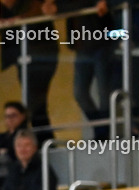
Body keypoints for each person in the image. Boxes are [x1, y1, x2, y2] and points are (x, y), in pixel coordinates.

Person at [54, 0, 113, 140]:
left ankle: (104, 131)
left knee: (104, 92)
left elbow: (73, 5)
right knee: (79, 93)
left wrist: (59, 7)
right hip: (82, 46)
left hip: (102, 41)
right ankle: (101, 128)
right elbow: (62, 7)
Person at [0, 0, 58, 140]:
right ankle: (44, 140)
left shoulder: (33, 4)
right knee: (34, 102)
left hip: (41, 52)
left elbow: (43, 11)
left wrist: (18, 20)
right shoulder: (0, 7)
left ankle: (45, 140)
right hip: (23, 54)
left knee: (35, 101)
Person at [0, 101, 31, 190]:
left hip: (10, 176)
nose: (10, 119)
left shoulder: (27, 136)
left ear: (23, 116)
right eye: (7, 116)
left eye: (13, 116)